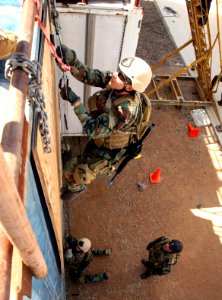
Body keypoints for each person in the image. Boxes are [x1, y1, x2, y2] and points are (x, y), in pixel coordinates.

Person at [56, 44, 152, 200]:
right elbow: (89, 75)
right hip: (101, 138)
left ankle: (76, 187)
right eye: (118, 71)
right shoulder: (116, 84)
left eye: (121, 76)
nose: (115, 75)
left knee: (73, 171)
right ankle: (81, 168)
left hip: (109, 152)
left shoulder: (125, 110)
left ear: (129, 86)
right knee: (81, 158)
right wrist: (72, 60)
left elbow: (91, 129)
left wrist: (74, 101)